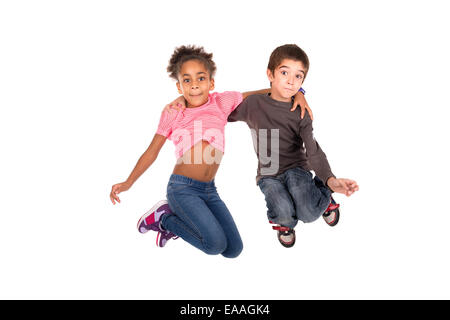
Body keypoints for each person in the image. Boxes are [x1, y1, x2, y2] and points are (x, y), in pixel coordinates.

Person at [109, 45, 310, 257]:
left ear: (211, 83)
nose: (194, 84)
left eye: (201, 78)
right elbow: (152, 151)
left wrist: (300, 93)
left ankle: (173, 222)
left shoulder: (221, 102)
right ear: (179, 87)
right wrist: (128, 182)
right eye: (187, 80)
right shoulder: (173, 112)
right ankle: (164, 219)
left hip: (208, 190)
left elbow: (264, 93)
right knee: (214, 245)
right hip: (182, 188)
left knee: (233, 250)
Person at [227, 44, 359, 248]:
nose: (291, 81)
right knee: (283, 213)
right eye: (284, 72)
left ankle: (324, 194)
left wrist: (330, 180)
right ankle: (285, 224)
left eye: (298, 76)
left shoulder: (300, 111)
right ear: (270, 74)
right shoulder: (254, 105)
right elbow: (221, 110)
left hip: (296, 167)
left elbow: (313, 150)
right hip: (269, 172)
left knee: (308, 213)